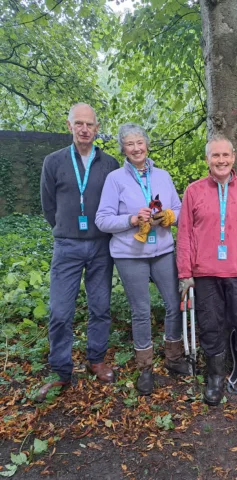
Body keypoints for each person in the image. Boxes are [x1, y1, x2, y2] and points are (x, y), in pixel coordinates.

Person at [95, 123, 192, 396]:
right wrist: (131, 219)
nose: (136, 148)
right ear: (123, 149)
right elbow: (102, 220)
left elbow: (179, 209)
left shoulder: (162, 175)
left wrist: (171, 217)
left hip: (162, 250)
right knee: (141, 310)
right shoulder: (115, 179)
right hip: (130, 255)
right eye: (130, 144)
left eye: (140, 142)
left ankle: (174, 358)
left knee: (174, 303)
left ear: (147, 145)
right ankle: (145, 367)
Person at [176, 135, 237, 408]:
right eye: (216, 156)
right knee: (210, 326)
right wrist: (185, 272)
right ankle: (214, 377)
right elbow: (184, 236)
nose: (221, 160)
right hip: (205, 273)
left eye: (225, 155)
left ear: (234, 157)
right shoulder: (194, 191)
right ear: (207, 160)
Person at [38, 103, 119, 402]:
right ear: (69, 126)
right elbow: (48, 205)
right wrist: (66, 227)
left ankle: (96, 359)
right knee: (60, 311)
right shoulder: (54, 161)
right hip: (67, 246)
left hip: (101, 246)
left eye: (90, 124)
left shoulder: (109, 164)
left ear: (97, 129)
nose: (85, 129)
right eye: (79, 124)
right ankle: (61, 370)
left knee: (100, 307)